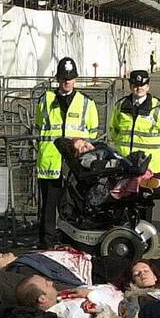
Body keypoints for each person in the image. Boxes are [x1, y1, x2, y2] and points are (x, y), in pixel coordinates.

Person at [35, 57, 99, 247]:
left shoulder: (86, 103)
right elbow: (40, 126)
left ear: (76, 79)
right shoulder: (45, 100)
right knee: (48, 206)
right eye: (63, 78)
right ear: (57, 78)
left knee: (74, 205)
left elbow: (92, 132)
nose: (66, 82)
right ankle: (46, 243)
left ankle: (70, 241)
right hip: (50, 161)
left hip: (75, 163)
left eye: (69, 78)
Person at [108, 69, 160, 174]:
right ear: (130, 86)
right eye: (135, 85)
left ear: (148, 86)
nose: (139, 88)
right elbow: (113, 129)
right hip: (125, 162)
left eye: (142, 85)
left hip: (151, 166)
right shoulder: (120, 106)